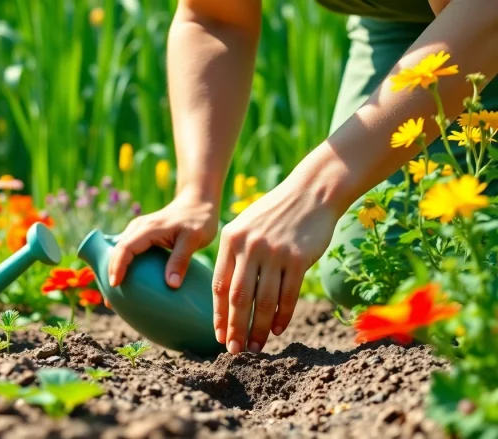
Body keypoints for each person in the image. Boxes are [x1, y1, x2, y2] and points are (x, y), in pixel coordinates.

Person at [107, 0, 498, 355]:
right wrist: (196, 193)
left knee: (476, 267)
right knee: (370, 267)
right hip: (398, 20)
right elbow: (215, 17)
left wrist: (315, 190)